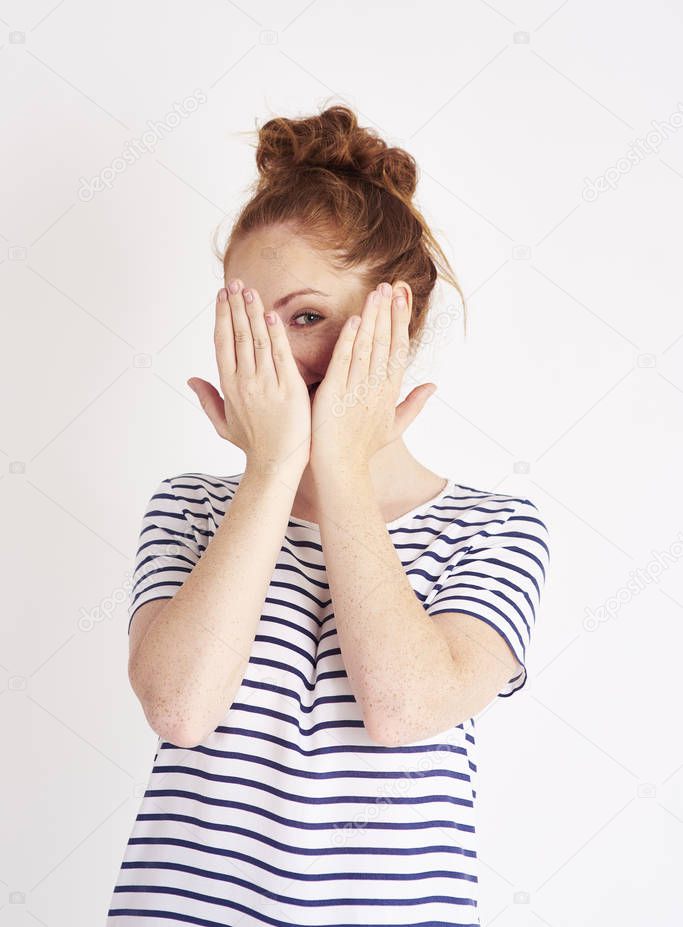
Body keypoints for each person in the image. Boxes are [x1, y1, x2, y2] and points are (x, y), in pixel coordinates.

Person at [107, 104, 550, 925]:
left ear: (397, 327)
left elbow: (404, 708)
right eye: (248, 323)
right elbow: (179, 707)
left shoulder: (494, 529)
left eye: (305, 316)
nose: (270, 356)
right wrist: (274, 467)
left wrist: (339, 466)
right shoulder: (191, 508)